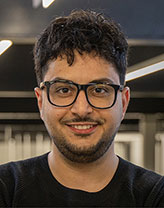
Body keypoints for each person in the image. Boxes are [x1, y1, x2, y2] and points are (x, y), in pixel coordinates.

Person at [0, 10, 164, 207]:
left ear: (124, 101)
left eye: (99, 90)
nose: (81, 108)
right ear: (41, 101)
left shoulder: (154, 197)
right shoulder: (6, 189)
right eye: (64, 90)